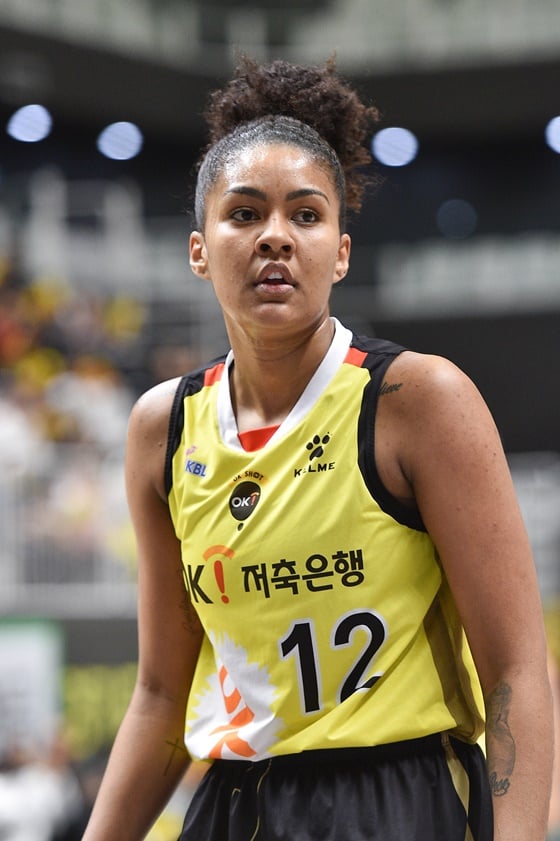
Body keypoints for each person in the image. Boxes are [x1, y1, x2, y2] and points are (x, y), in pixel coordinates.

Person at [81, 57, 553, 841]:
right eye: (244, 214)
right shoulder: (162, 429)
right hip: (236, 806)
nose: (275, 236)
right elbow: (161, 696)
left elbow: (516, 673)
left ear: (340, 251)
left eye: (305, 215)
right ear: (199, 250)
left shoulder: (418, 401)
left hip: (402, 800)